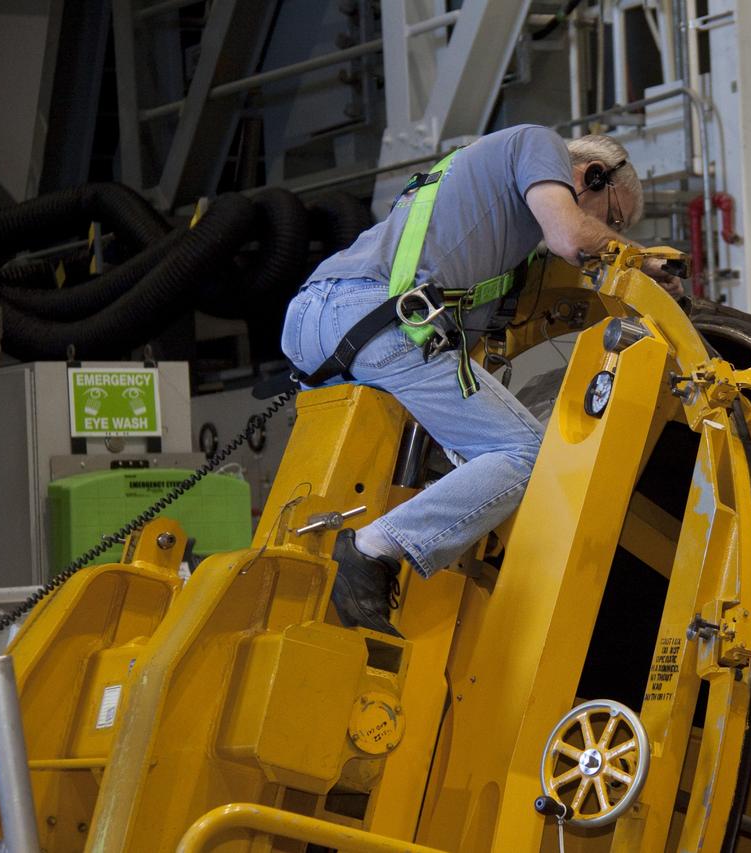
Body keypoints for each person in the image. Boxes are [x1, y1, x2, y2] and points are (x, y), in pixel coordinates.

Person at [280, 125, 682, 636]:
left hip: (315, 321)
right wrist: (642, 258)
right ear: (590, 175)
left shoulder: (481, 205)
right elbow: (570, 236)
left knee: (384, 474)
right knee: (521, 454)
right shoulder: (539, 144)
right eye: (615, 218)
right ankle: (370, 551)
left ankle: (312, 582)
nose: (610, 233)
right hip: (378, 320)